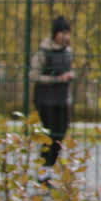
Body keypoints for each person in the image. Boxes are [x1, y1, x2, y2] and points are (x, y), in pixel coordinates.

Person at [30, 16, 75, 170]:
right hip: (45, 99)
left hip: (62, 99)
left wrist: (70, 76)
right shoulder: (43, 52)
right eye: (62, 33)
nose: (65, 36)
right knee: (49, 136)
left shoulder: (68, 52)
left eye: (67, 33)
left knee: (60, 134)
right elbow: (33, 75)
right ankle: (44, 170)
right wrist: (56, 79)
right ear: (55, 33)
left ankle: (49, 168)